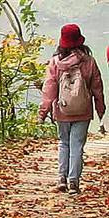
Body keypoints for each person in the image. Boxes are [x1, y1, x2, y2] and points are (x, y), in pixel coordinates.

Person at [39, 24, 106, 194]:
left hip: (62, 110)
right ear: (79, 40)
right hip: (83, 110)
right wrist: (100, 108)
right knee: (77, 145)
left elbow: (49, 89)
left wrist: (43, 111)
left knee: (64, 143)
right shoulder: (89, 61)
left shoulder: (55, 62)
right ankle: (74, 182)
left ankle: (61, 178)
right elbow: (97, 87)